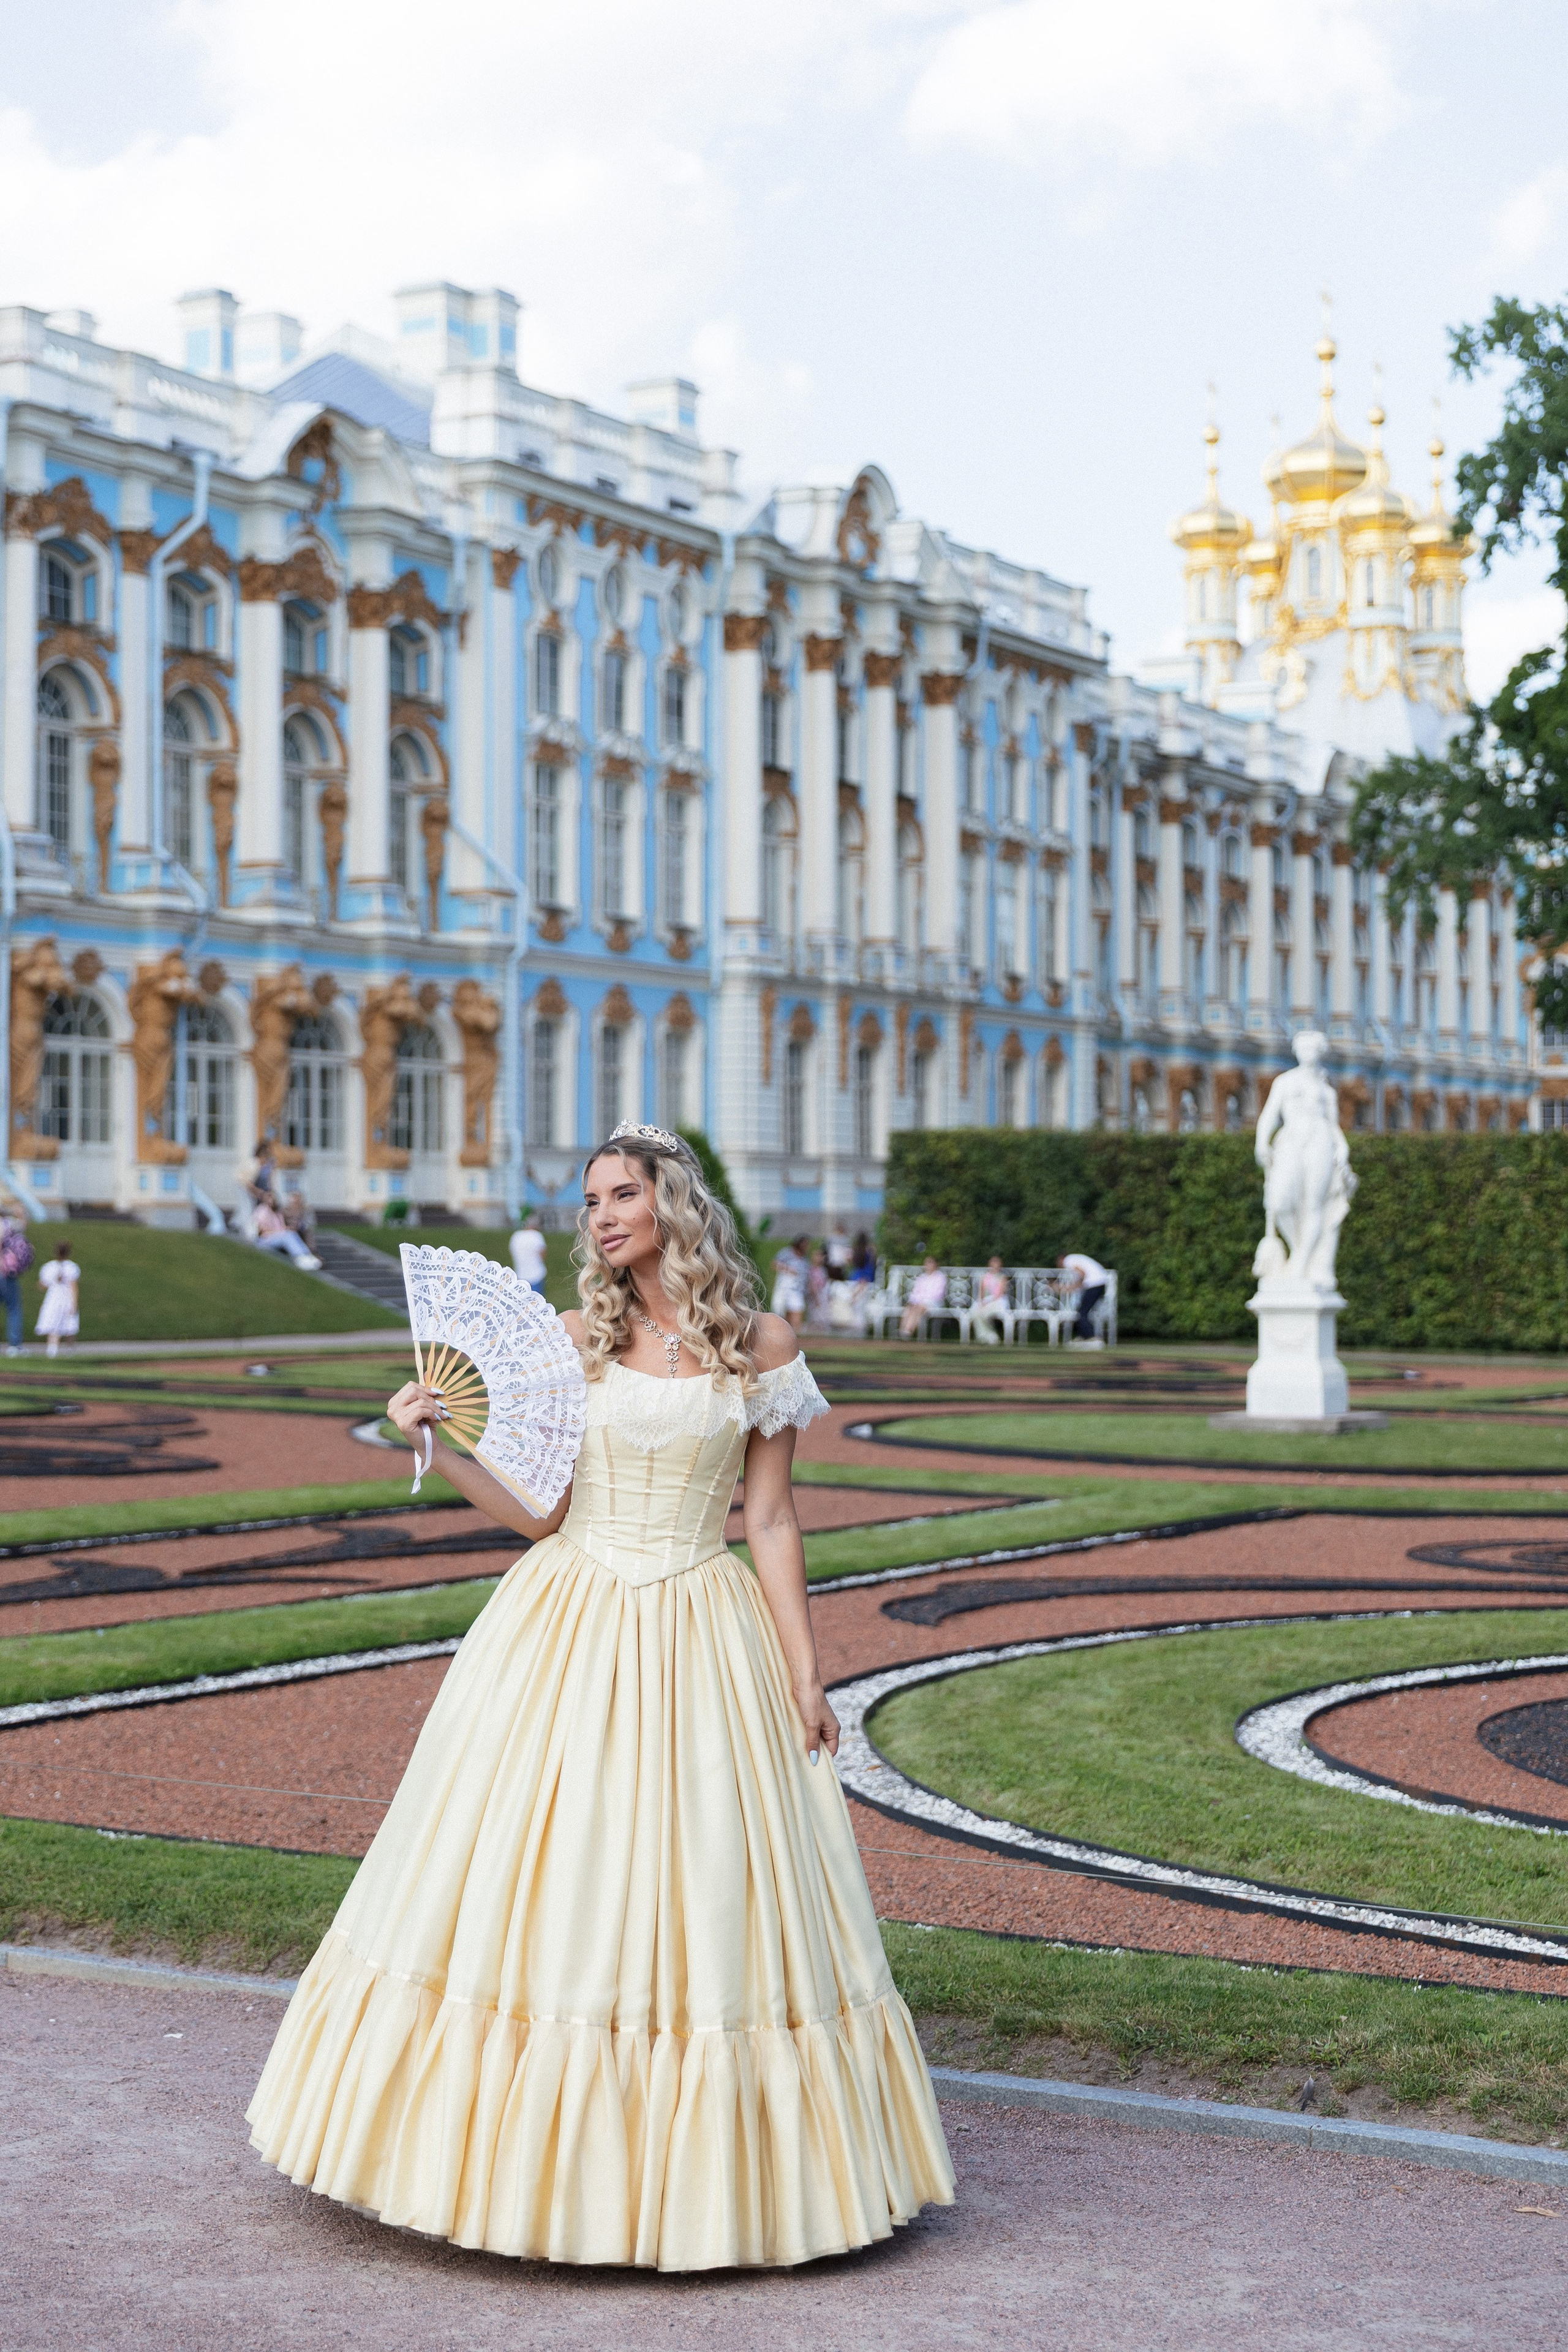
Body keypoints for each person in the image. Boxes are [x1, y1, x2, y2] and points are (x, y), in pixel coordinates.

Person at [247, 1119, 952, 2268]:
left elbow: (770, 1518)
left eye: (623, 1194)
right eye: (592, 1201)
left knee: (707, 1885)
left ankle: (716, 2181)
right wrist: (433, 1441)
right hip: (566, 1619)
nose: (605, 1216)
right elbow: (541, 1516)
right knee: (553, 1871)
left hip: (701, 1623)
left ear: (675, 1200)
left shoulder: (759, 1342)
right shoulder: (576, 1338)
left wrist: (805, 1666)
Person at [35, 1239, 80, 1359]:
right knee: (68, 1326)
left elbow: (42, 1286)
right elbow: (74, 1287)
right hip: (66, 1299)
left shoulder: (49, 1267)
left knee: (54, 1326)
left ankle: (52, 1351)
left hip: (54, 1299)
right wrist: (75, 1304)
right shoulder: (71, 1267)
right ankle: (69, 1351)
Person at [252, 1196, 322, 1271]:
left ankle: (307, 1255)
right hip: (265, 1240)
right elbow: (263, 1231)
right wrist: (281, 1232)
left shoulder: (277, 1212)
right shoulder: (263, 1211)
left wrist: (287, 1229)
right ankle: (300, 1258)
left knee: (291, 1233)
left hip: (278, 1236)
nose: (272, 1202)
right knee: (288, 1236)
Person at [1058, 1247, 1110, 1343]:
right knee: (1082, 1311)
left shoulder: (1068, 1261)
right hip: (1099, 1282)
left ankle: (1092, 1337)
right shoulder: (1075, 1258)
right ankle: (1083, 1337)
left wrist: (1077, 1285)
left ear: (1061, 1258)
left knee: (1083, 1312)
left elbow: (1082, 1273)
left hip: (1095, 1283)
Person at [0, 1206, 32, 1355]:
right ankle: (14, 1346)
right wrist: (18, 1210)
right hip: (7, 1273)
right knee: (14, 1309)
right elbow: (25, 1223)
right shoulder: (9, 1223)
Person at [899, 1254, 946, 1339]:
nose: (928, 1265)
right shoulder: (922, 1277)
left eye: (930, 1263)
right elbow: (915, 1292)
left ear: (935, 1264)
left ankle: (908, 1331)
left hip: (935, 1303)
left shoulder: (940, 1277)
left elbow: (939, 1294)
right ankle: (902, 1331)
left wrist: (923, 1300)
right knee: (909, 1308)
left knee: (919, 1308)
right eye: (927, 1263)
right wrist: (913, 1301)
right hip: (920, 1303)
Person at [769, 1234, 809, 1330]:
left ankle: (796, 1337)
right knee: (782, 1315)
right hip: (785, 1289)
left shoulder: (805, 1258)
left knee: (797, 1313)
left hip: (798, 1290)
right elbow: (774, 1264)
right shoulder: (787, 1253)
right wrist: (788, 1269)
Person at [508, 1208, 549, 1295]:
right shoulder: (536, 1236)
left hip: (520, 1275)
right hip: (536, 1276)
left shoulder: (515, 1236)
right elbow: (543, 1254)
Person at [972, 1253, 1009, 1345]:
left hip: (998, 1301)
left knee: (984, 1314)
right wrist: (982, 1301)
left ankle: (992, 1337)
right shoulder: (985, 1277)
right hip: (986, 1301)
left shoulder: (1002, 1277)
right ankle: (985, 1336)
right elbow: (982, 1291)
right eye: (993, 1263)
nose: (995, 1266)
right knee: (976, 1313)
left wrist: (987, 1302)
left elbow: (1000, 1294)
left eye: (997, 1264)